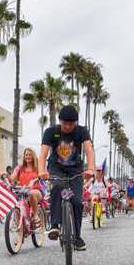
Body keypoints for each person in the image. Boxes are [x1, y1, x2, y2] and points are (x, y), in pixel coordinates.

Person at [39, 105, 94, 251]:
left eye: (71, 124)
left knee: (76, 201)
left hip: (75, 170)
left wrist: (91, 168)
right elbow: (43, 154)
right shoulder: (51, 132)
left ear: (75, 122)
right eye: (65, 123)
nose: (68, 127)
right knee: (57, 187)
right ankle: (55, 225)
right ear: (60, 121)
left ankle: (77, 237)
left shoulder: (81, 131)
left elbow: (89, 149)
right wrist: (41, 171)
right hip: (56, 168)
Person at [10, 147, 44, 228]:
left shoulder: (37, 166)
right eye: (26, 155)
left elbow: (42, 175)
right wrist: (6, 175)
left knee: (31, 193)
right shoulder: (20, 167)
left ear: (33, 156)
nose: (28, 156)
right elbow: (12, 178)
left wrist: (34, 180)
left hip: (36, 191)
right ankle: (19, 238)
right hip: (23, 192)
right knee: (18, 209)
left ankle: (35, 215)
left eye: (30, 155)